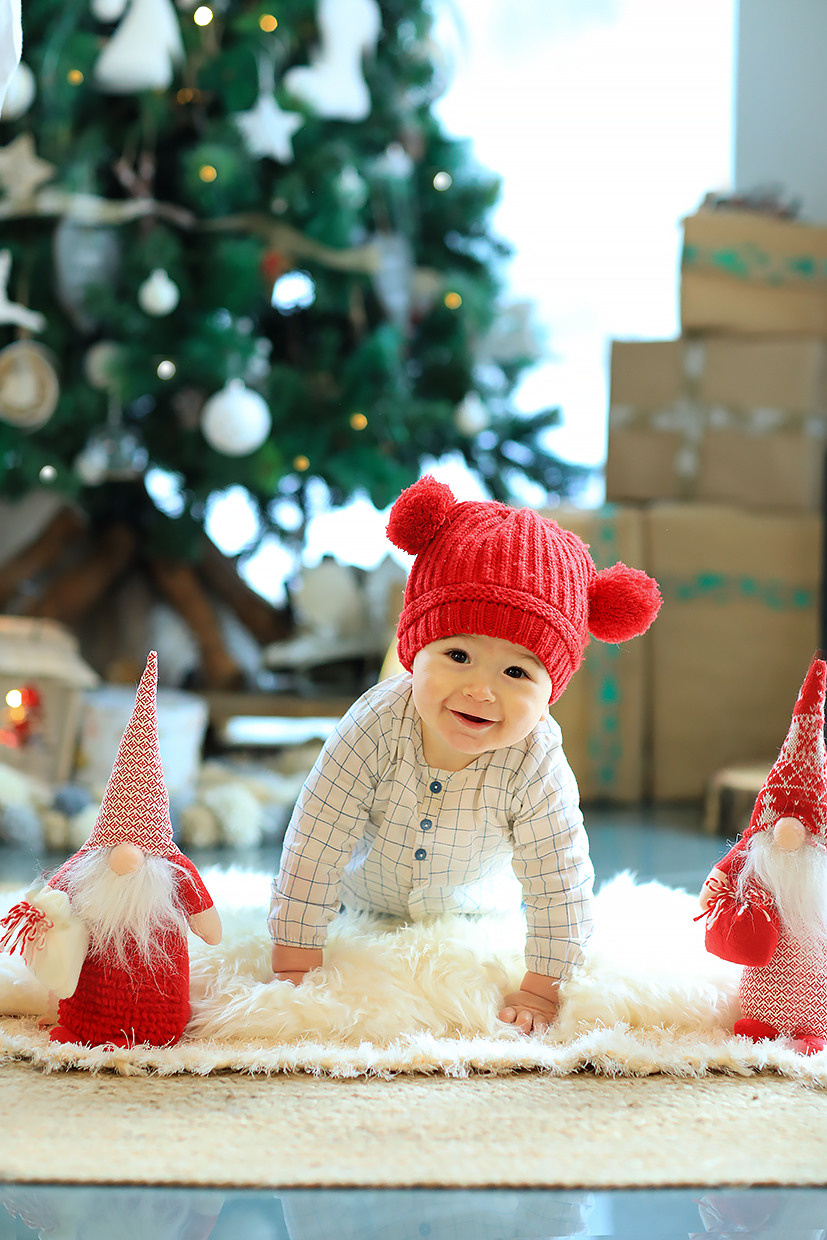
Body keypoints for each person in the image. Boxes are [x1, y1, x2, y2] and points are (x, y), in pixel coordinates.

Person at [268, 475, 661, 1033]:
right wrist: (295, 963)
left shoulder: (537, 762)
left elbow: (559, 879)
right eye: (457, 654)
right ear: (414, 648)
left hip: (476, 919)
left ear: (552, 688)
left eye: (517, 671)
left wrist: (545, 993)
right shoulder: (374, 724)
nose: (481, 690)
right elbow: (315, 840)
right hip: (359, 906)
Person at [2, 652, 222, 1048]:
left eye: (138, 841)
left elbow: (209, 926)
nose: (126, 854)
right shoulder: (88, 865)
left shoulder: (173, 868)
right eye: (118, 839)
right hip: (88, 1014)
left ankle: (158, 1027)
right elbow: (51, 896)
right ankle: (83, 1025)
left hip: (162, 1014)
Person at [700, 655, 827, 1055]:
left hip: (815, 969)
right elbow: (720, 879)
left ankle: (812, 1029)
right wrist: (712, 897)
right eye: (781, 818)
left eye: (803, 822)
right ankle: (762, 1021)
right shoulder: (753, 852)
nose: (790, 832)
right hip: (763, 963)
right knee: (759, 977)